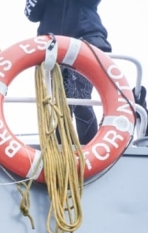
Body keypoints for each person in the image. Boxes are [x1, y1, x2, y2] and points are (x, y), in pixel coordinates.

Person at [24, 0, 113, 145]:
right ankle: (63, 151)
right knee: (59, 104)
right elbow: (32, 14)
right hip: (53, 47)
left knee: (79, 96)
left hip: (86, 42)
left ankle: (90, 150)